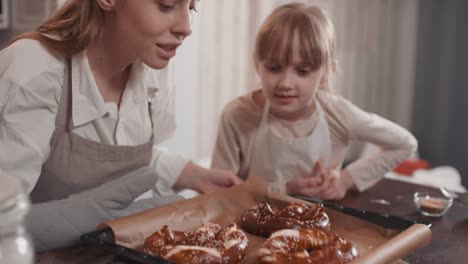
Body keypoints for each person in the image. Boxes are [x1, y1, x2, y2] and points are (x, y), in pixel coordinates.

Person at [0, 0, 242, 251]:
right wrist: (86, 218)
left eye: (191, 7)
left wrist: (192, 174)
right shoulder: (33, 69)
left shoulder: (150, 64)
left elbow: (119, 156)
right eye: (167, 5)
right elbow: (3, 221)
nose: (186, 27)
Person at [211, 3, 417, 200]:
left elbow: (404, 143)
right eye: (274, 68)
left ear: (326, 73)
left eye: (302, 71)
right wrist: (284, 189)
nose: (285, 83)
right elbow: (218, 191)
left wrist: (347, 180)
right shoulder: (238, 116)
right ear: (258, 64)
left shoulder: (338, 114)